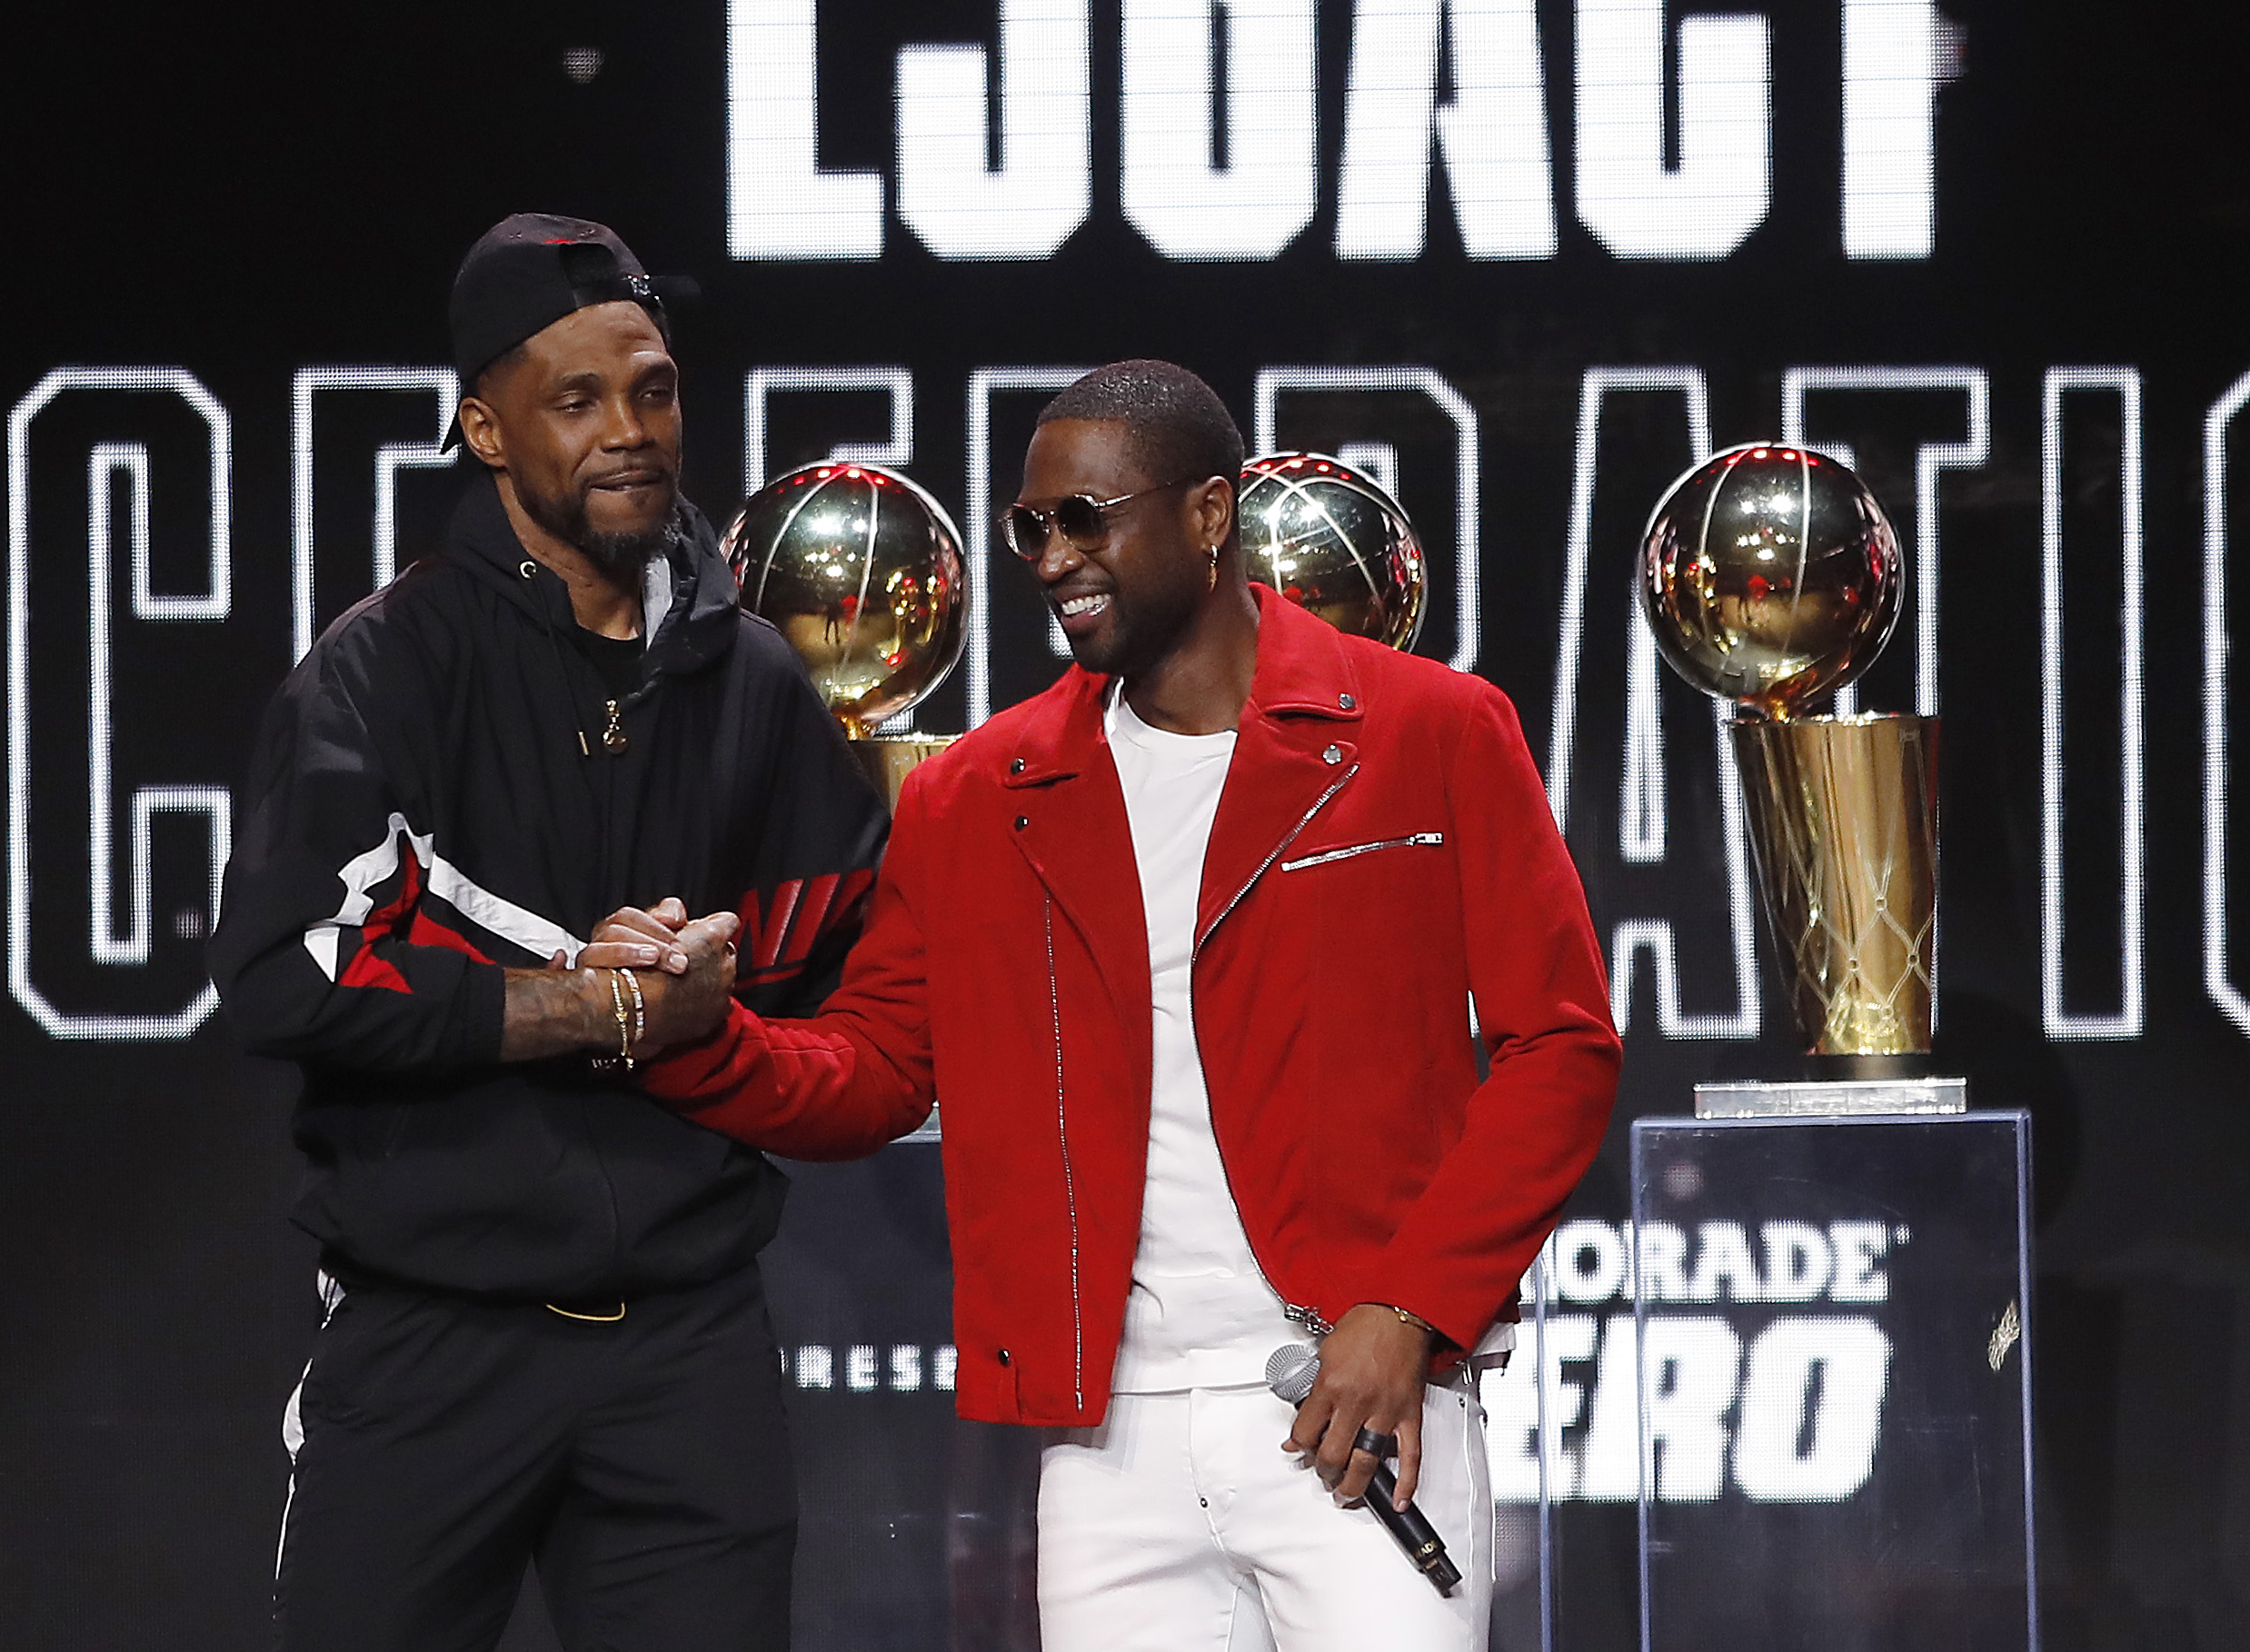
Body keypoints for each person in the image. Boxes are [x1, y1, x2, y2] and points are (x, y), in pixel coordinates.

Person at [603, 361, 1621, 1650]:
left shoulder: (1428, 730)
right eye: (1033, 526)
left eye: (1089, 516)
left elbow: (1562, 1048)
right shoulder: (976, 794)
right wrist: (698, 1034)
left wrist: (1409, 1308)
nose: (1052, 555)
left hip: (1354, 1406)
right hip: (1107, 1441)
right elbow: (873, 1066)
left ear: (1210, 514)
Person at [206, 214, 885, 1652]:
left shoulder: (749, 674)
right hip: (430, 1339)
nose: (630, 432)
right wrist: (588, 1007)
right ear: (488, 431)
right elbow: (283, 971)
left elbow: (849, 960)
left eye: (653, 389)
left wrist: (720, 991)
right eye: (576, 401)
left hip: (688, 1342)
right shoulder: (384, 669)